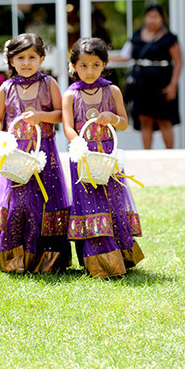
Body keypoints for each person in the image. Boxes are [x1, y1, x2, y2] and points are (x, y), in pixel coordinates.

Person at [0, 33, 71, 274]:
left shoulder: (48, 84)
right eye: (20, 57)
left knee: (45, 200)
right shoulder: (6, 87)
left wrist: (40, 117)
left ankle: (47, 261)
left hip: (43, 153)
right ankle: (15, 257)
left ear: (42, 59)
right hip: (16, 154)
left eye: (32, 57)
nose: (26, 63)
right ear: (11, 60)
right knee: (17, 202)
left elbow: (60, 114)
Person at [62, 37, 144, 278]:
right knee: (89, 205)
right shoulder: (70, 95)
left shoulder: (112, 90)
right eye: (83, 65)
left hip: (108, 156)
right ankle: (98, 262)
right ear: (74, 66)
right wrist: (78, 144)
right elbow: (67, 127)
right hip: (84, 156)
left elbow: (125, 123)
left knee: (112, 202)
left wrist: (113, 118)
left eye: (96, 65)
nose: (89, 71)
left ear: (104, 65)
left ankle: (121, 255)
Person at [115, 4, 182, 149]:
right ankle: (147, 154)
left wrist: (173, 85)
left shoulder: (169, 38)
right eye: (149, 17)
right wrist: (102, 58)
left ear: (162, 19)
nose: (152, 20)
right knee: (145, 119)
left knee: (165, 120)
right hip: (142, 84)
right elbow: (125, 56)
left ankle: (170, 155)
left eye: (155, 17)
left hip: (163, 83)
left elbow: (178, 62)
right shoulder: (137, 35)